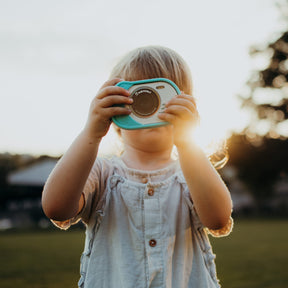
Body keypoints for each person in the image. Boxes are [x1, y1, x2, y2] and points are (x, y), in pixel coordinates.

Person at [42, 45, 233, 288]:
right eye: (138, 97)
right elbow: (56, 208)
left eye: (163, 96)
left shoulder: (191, 174)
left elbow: (218, 218)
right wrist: (91, 133)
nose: (150, 107)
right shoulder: (102, 173)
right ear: (115, 112)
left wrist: (187, 142)